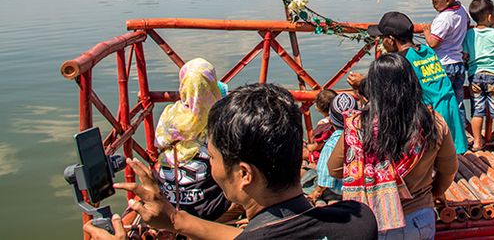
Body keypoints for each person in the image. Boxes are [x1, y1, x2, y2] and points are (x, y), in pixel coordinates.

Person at [84, 83, 378, 240]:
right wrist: (175, 219)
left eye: (212, 157)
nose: (211, 167)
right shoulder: (359, 221)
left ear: (244, 174)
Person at [328, 54, 458, 238]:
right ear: (412, 82)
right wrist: (433, 193)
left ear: (372, 88)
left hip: (374, 220)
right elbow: (449, 169)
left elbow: (334, 169)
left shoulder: (358, 126)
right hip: (419, 218)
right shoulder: (433, 122)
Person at [365, 11, 469, 154]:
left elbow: (388, 90)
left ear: (390, 40)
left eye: (382, 38)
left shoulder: (402, 61)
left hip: (433, 118)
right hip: (450, 109)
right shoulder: (427, 51)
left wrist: (362, 83)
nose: (382, 43)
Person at [153, 58, 231, 220]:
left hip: (171, 203)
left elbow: (158, 144)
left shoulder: (170, 114)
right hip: (208, 208)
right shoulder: (218, 119)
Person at [462, 0, 494, 152]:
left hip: (475, 76)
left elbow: (466, 54)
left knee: (477, 111)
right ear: (490, 17)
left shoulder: (469, 34)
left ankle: (477, 142)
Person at [423, 0, 470, 128]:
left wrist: (426, 32)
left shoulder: (444, 18)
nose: (433, 5)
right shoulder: (462, 10)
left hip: (443, 65)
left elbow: (433, 43)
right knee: (458, 103)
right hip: (458, 63)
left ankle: (443, 137)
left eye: (435, 1)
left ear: (447, 0)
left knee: (441, 102)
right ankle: (461, 136)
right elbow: (468, 23)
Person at [307, 93, 357, 204]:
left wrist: (317, 192)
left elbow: (326, 172)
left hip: (336, 189)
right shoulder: (360, 136)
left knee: (307, 182)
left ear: (331, 120)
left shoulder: (332, 143)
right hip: (353, 185)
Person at [305, 88, 337, 164]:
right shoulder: (339, 120)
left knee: (302, 153)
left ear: (318, 107)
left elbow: (319, 145)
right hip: (335, 151)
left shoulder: (323, 124)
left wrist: (309, 147)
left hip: (322, 154)